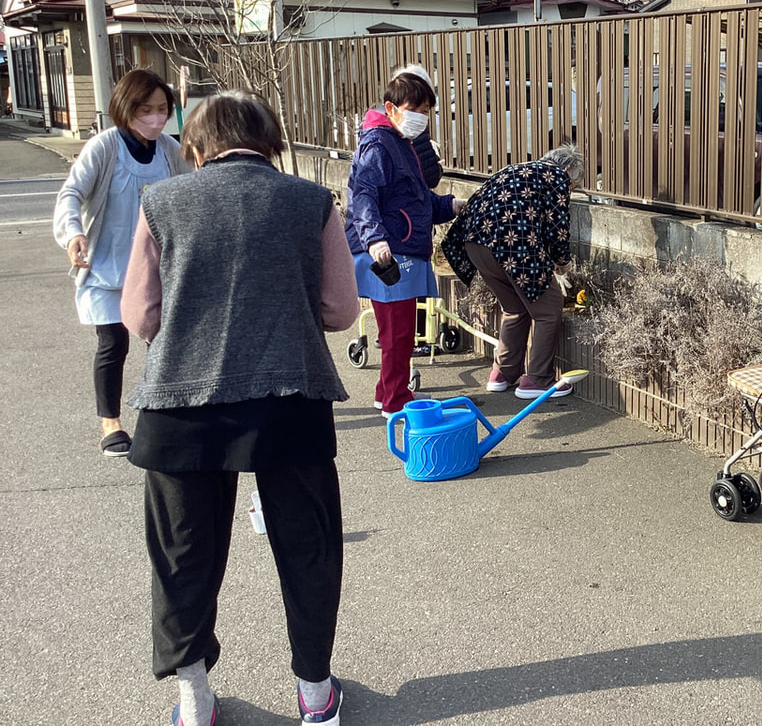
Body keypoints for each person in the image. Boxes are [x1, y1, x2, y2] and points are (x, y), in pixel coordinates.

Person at [121, 91, 359, 726]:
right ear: (271, 144)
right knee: (308, 546)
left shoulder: (161, 202)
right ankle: (316, 694)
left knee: (183, 555)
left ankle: (194, 698)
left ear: (197, 149)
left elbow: (141, 315)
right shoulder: (312, 202)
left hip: (181, 401)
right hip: (291, 397)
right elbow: (341, 311)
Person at [53, 68, 190, 456]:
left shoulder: (170, 149)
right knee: (113, 343)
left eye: (162, 109)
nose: (156, 118)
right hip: (107, 267)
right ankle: (110, 423)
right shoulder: (104, 147)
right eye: (146, 110)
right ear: (125, 109)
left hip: (155, 268)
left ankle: (158, 412)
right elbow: (71, 193)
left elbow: (192, 191)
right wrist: (73, 233)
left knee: (159, 342)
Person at [344, 64, 463, 417]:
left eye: (426, 111)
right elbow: (363, 195)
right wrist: (374, 239)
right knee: (398, 331)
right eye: (415, 110)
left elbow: (415, 199)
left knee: (397, 330)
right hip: (390, 250)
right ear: (391, 108)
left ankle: (388, 392)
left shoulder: (398, 142)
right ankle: (395, 400)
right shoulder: (379, 144)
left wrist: (449, 205)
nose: (420, 118)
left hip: (399, 244)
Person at [441, 144, 584, 400]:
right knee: (548, 307)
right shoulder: (557, 176)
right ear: (568, 169)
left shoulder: (515, 169)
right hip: (513, 247)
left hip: (475, 244)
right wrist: (562, 261)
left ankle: (502, 373)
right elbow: (557, 227)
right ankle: (538, 380)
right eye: (573, 186)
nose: (570, 190)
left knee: (515, 308)